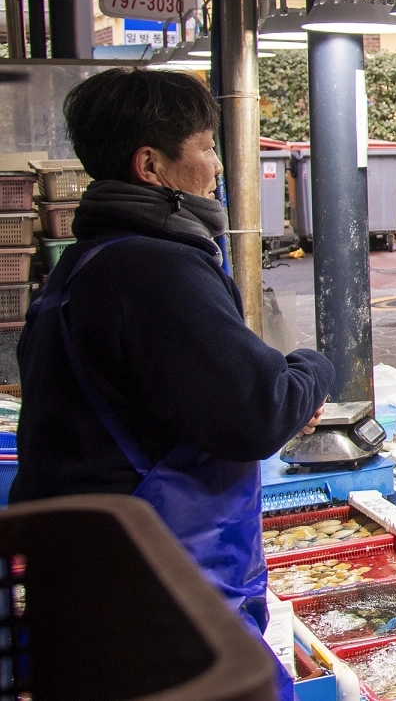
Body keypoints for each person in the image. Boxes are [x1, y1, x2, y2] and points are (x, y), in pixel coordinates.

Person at [12, 68, 335, 697]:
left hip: (90, 581)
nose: (217, 167)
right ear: (151, 165)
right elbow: (255, 415)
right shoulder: (153, 267)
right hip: (153, 587)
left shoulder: (82, 263)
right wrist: (310, 368)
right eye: (207, 148)